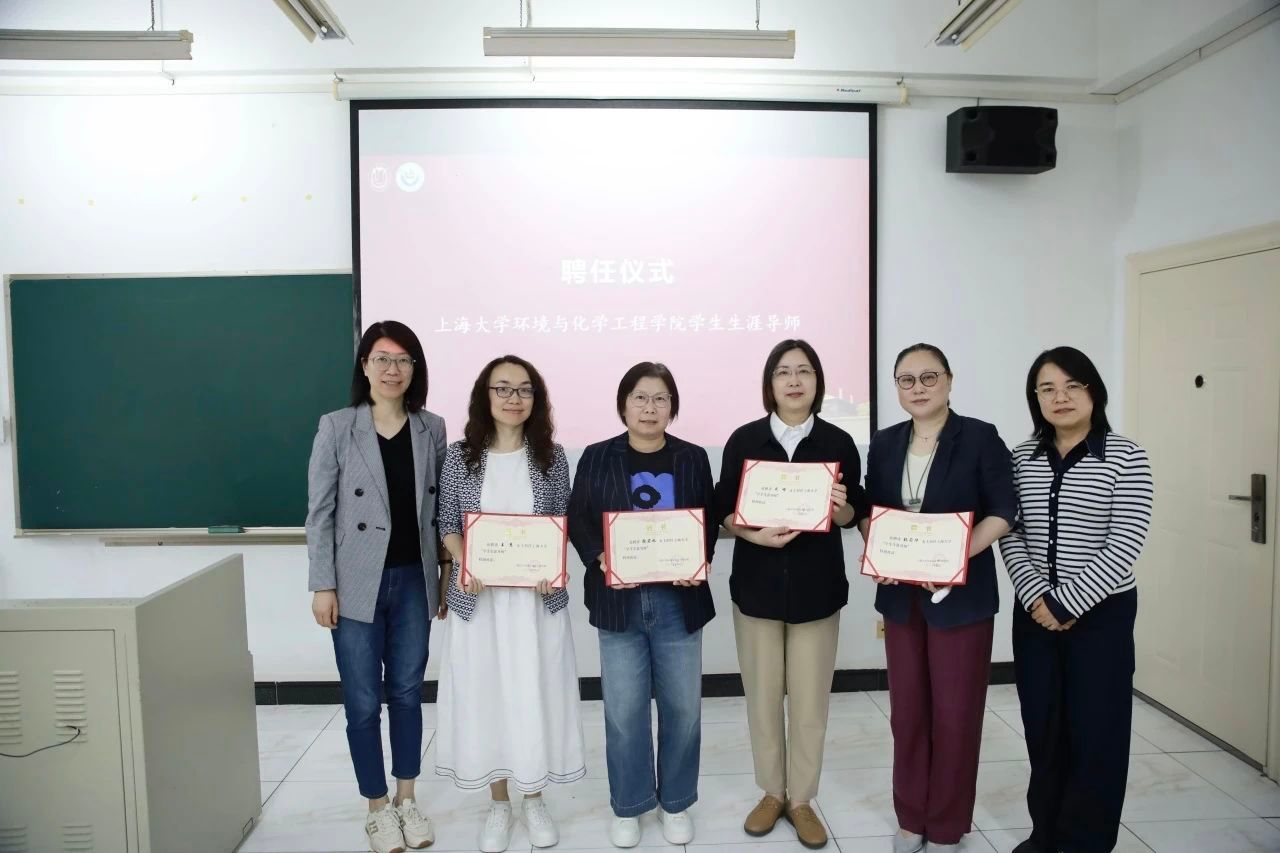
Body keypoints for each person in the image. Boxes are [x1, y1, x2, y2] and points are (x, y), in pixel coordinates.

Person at [860, 343, 1016, 853]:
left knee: (956, 714)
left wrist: (955, 556)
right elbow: (872, 512)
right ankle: (911, 817)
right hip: (901, 600)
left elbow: (1004, 510)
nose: (918, 388)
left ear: (949, 380)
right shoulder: (885, 442)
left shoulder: (980, 437)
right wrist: (878, 550)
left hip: (961, 597)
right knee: (907, 713)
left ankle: (947, 825)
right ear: (896, 388)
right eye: (906, 380)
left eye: (929, 377)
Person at [1000, 346, 1153, 853]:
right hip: (1034, 614)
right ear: (1035, 398)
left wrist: (1068, 603)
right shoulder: (1021, 457)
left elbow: (1126, 541)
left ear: (1093, 391)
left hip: (1102, 616)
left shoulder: (1126, 456)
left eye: (1072, 385)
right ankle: (1045, 834)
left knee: (1097, 732)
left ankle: (1085, 842)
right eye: (1047, 388)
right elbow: (1011, 533)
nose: (1059, 397)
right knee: (1043, 729)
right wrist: (1036, 597)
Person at [715, 339, 866, 851]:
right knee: (762, 699)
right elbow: (723, 509)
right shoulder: (744, 439)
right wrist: (751, 534)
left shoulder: (839, 442)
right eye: (783, 372)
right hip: (756, 589)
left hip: (817, 591)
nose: (794, 380)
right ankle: (771, 792)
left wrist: (842, 509)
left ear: (818, 382)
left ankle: (801, 799)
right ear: (770, 383)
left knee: (809, 703)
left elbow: (854, 512)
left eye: (804, 371)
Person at [433, 355, 586, 853]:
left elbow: (561, 522)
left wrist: (551, 566)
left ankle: (534, 797)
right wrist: (467, 562)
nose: (513, 398)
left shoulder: (552, 457)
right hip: (479, 603)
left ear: (536, 399)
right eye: (502, 388)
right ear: (485, 396)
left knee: (534, 694)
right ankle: (499, 803)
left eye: (523, 389)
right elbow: (447, 524)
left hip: (535, 604)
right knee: (486, 697)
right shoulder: (459, 457)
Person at [306, 320, 446, 853]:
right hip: (355, 583)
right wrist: (323, 584)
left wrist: (443, 576)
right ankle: (377, 806)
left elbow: (439, 511)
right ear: (364, 365)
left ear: (415, 369)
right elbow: (319, 513)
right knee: (363, 700)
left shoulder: (432, 427)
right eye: (382, 359)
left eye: (404, 360)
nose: (393, 369)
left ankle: (407, 798)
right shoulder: (337, 427)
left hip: (414, 579)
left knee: (408, 693)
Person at [566, 362, 718, 849]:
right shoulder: (596, 456)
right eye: (640, 397)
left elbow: (707, 520)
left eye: (660, 398)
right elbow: (579, 517)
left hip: (678, 600)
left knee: (683, 709)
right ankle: (630, 804)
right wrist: (600, 555)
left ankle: (676, 801)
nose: (650, 408)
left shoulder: (693, 457)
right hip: (619, 602)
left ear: (672, 407)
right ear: (623, 405)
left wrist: (697, 560)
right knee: (624, 711)